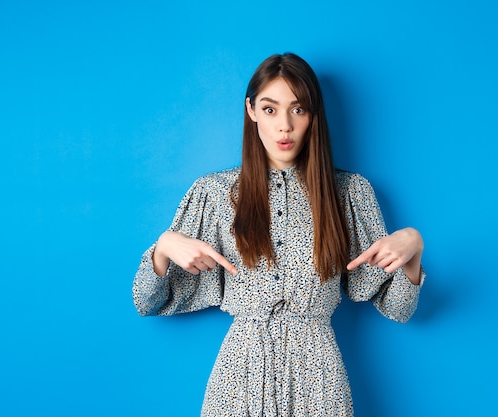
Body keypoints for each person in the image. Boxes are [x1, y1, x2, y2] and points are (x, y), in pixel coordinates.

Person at [132, 52, 425, 417]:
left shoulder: (349, 193)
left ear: (313, 116)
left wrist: (413, 245)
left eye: (298, 109)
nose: (284, 126)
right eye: (270, 109)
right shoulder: (214, 194)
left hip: (319, 380)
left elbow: (398, 309)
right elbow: (146, 302)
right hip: (239, 379)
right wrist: (162, 247)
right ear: (251, 110)